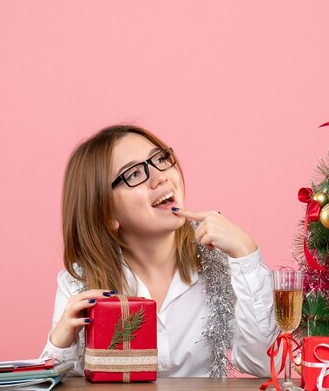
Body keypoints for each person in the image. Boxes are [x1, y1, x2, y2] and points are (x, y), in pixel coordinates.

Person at [40, 124, 277, 377]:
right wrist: (61, 344)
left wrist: (246, 254)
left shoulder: (220, 264)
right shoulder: (79, 283)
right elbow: (55, 381)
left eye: (160, 159)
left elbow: (264, 364)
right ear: (107, 212)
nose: (160, 176)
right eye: (133, 174)